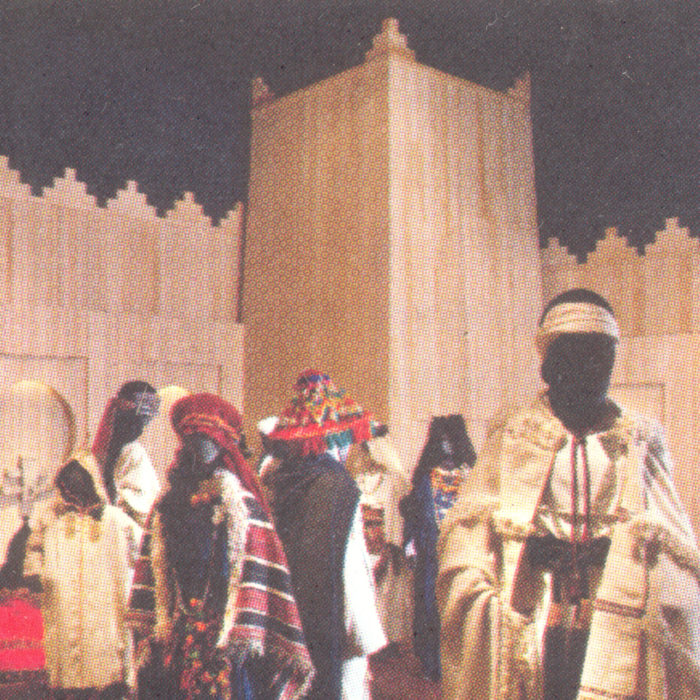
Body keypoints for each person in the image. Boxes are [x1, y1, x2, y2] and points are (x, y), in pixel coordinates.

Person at [437, 288, 700, 700]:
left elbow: (674, 544)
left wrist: (622, 552)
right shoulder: (514, 433)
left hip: (613, 610)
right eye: (580, 358)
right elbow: (467, 536)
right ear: (552, 365)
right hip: (537, 609)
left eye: (603, 358)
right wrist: (521, 554)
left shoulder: (637, 440)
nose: (594, 372)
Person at [127, 392, 313, 700]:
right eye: (193, 440)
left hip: (228, 639)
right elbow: (155, 578)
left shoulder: (244, 510)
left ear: (224, 445)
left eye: (209, 440)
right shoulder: (166, 506)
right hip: (178, 632)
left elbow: (259, 584)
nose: (201, 448)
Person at [265, 369, 388, 700]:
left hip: (287, 610)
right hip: (334, 619)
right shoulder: (334, 484)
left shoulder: (278, 476)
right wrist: (357, 631)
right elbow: (344, 567)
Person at [24, 451, 139, 699]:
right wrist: (41, 575)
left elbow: (142, 553)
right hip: (64, 607)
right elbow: (33, 552)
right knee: (66, 660)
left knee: (107, 662)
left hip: (106, 607)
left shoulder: (117, 521)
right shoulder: (52, 521)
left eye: (77, 481)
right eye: (67, 483)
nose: (71, 488)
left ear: (91, 481)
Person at [400, 414, 476, 681]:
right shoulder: (425, 479)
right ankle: (433, 664)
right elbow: (414, 515)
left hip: (460, 552)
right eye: (441, 441)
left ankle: (459, 666)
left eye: (450, 441)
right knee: (430, 607)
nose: (447, 448)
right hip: (429, 552)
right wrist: (409, 544)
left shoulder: (470, 477)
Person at [346, 432, 414, 649]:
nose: (366, 453)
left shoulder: (392, 482)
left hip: (385, 546)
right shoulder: (357, 479)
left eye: (369, 448)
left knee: (387, 593)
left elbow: (396, 515)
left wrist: (390, 546)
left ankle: (387, 641)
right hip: (361, 545)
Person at [92, 381, 161, 527]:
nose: (145, 423)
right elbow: (141, 505)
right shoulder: (133, 450)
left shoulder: (106, 448)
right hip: (123, 526)